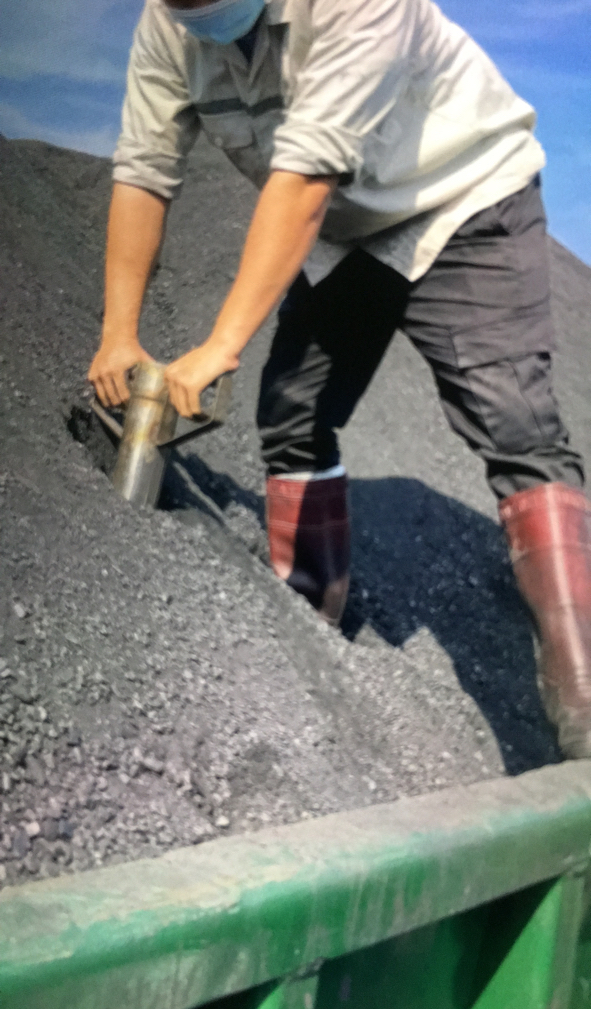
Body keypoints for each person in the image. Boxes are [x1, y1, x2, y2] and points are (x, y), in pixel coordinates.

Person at [88, 0, 591, 758]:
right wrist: (118, 334)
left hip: (460, 198)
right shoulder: (167, 24)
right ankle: (309, 637)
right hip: (348, 228)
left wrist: (223, 343)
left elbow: (303, 179)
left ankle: (582, 708)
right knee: (291, 414)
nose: (196, 13)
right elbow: (144, 172)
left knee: (513, 423)